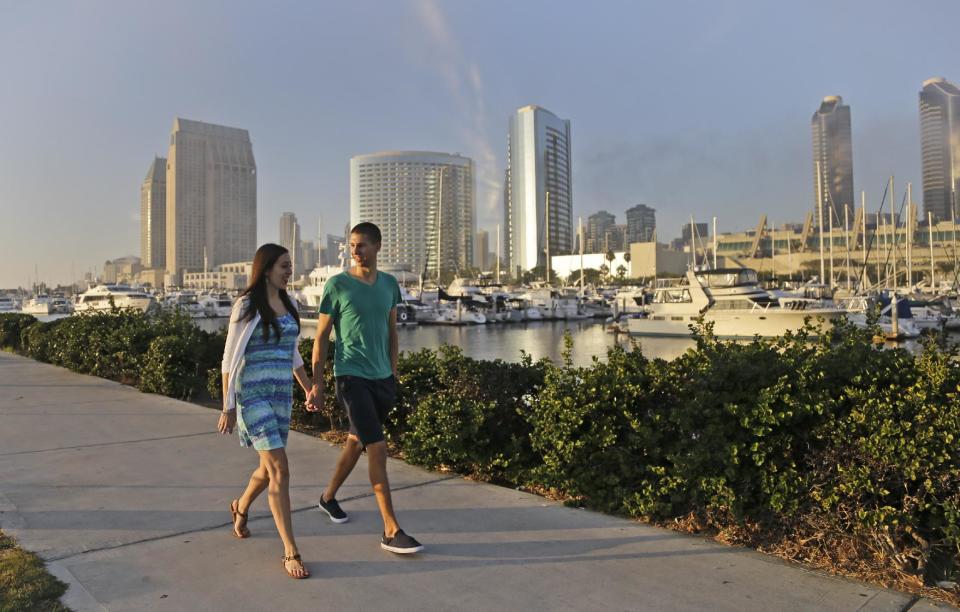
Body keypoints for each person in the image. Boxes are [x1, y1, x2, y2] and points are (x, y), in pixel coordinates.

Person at [306, 222, 423, 554]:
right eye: (352, 245)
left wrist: (393, 373)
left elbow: (392, 333)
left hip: (382, 379)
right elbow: (321, 338)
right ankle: (390, 529)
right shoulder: (338, 285)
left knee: (357, 442)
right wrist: (318, 384)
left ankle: (327, 498)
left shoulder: (388, 284)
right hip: (351, 376)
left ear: (377, 247)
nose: (355, 251)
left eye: (362, 245)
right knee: (378, 448)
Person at [218, 243, 312, 579]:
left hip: (280, 396)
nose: (290, 272)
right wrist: (228, 405)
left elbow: (293, 353)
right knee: (281, 471)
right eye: (285, 266)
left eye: (291, 266)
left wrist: (307, 387)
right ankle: (291, 550)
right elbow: (230, 358)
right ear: (267, 268)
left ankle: (240, 507)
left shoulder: (290, 303)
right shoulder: (247, 305)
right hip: (253, 396)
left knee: (266, 468)